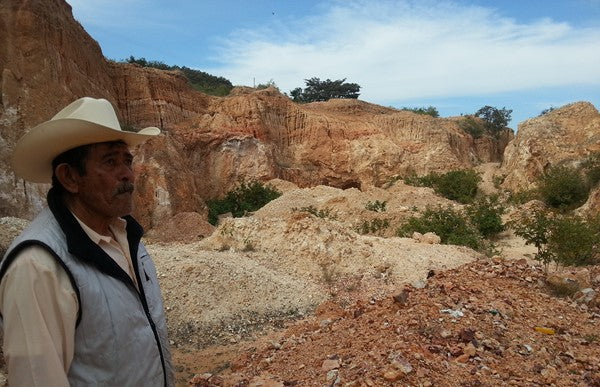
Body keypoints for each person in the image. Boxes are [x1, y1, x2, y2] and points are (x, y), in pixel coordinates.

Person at [0, 97, 174, 386]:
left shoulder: (126, 236)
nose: (127, 174)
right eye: (110, 161)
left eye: (127, 160)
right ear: (69, 177)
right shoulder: (38, 267)